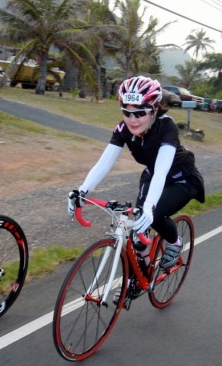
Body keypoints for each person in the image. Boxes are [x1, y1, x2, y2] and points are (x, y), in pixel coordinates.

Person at [68, 76, 204, 270]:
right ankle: (138, 279)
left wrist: (149, 206)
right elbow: (104, 164)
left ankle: (174, 243)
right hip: (151, 176)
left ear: (154, 110)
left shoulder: (166, 127)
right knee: (137, 230)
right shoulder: (123, 129)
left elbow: (161, 171)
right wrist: (83, 190)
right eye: (126, 112)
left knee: (154, 215)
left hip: (182, 180)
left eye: (140, 113)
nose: (132, 119)